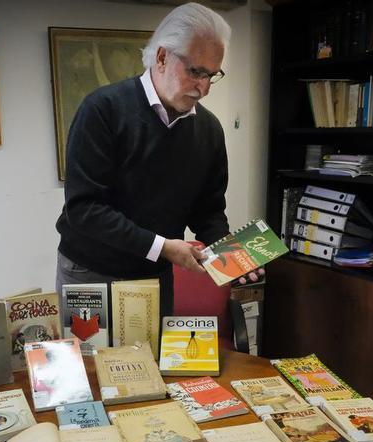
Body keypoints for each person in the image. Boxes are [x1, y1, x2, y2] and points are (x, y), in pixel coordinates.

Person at [55, 2, 261, 318]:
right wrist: (163, 247)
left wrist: (231, 256)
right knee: (89, 352)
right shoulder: (102, 110)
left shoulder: (209, 130)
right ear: (162, 57)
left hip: (154, 275)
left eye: (212, 75)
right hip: (90, 271)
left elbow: (208, 211)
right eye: (195, 71)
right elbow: (84, 209)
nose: (204, 87)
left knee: (154, 352)